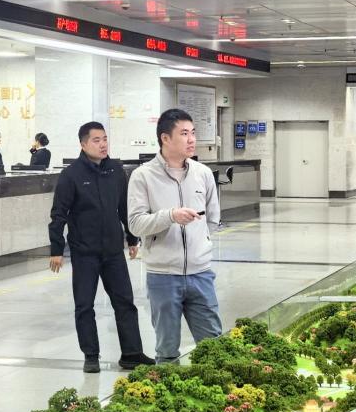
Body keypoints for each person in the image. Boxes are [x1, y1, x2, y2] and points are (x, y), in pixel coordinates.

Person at [48, 122, 153, 374]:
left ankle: (131, 353)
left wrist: (132, 238)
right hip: (84, 252)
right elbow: (58, 214)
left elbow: (124, 207)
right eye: (96, 140)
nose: (103, 144)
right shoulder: (71, 175)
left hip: (113, 251)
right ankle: (91, 355)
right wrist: (56, 250)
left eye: (105, 139)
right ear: (83, 144)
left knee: (125, 302)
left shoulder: (115, 170)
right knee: (84, 305)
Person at [127, 109, 224, 363]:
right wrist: (170, 216)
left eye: (193, 133)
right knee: (167, 350)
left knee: (214, 347)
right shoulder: (143, 176)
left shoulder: (203, 173)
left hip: (200, 273)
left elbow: (213, 218)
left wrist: (201, 244)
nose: (191, 139)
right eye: (184, 133)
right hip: (163, 276)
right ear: (165, 138)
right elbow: (135, 224)